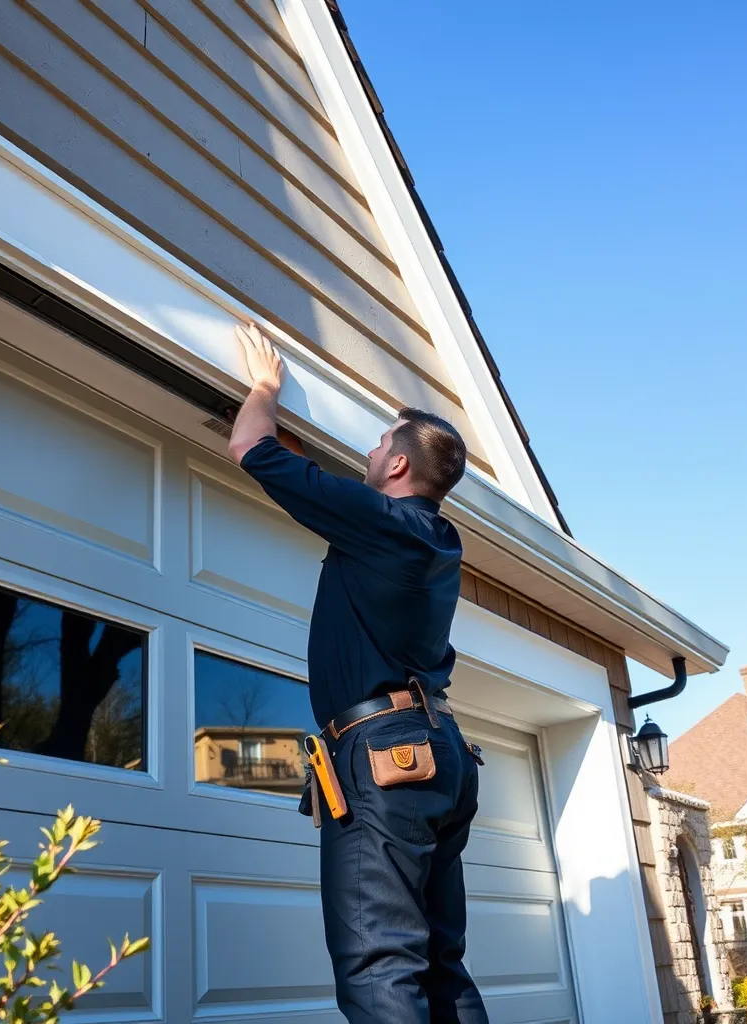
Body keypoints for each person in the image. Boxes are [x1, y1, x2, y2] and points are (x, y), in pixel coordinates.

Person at [228, 322, 489, 1024]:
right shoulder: (435, 540)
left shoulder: (383, 521)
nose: (370, 451)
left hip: (386, 756)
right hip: (438, 753)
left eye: (378, 444)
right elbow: (317, 488)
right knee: (436, 960)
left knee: (379, 962)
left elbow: (248, 446)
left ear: (400, 467)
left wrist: (265, 388)